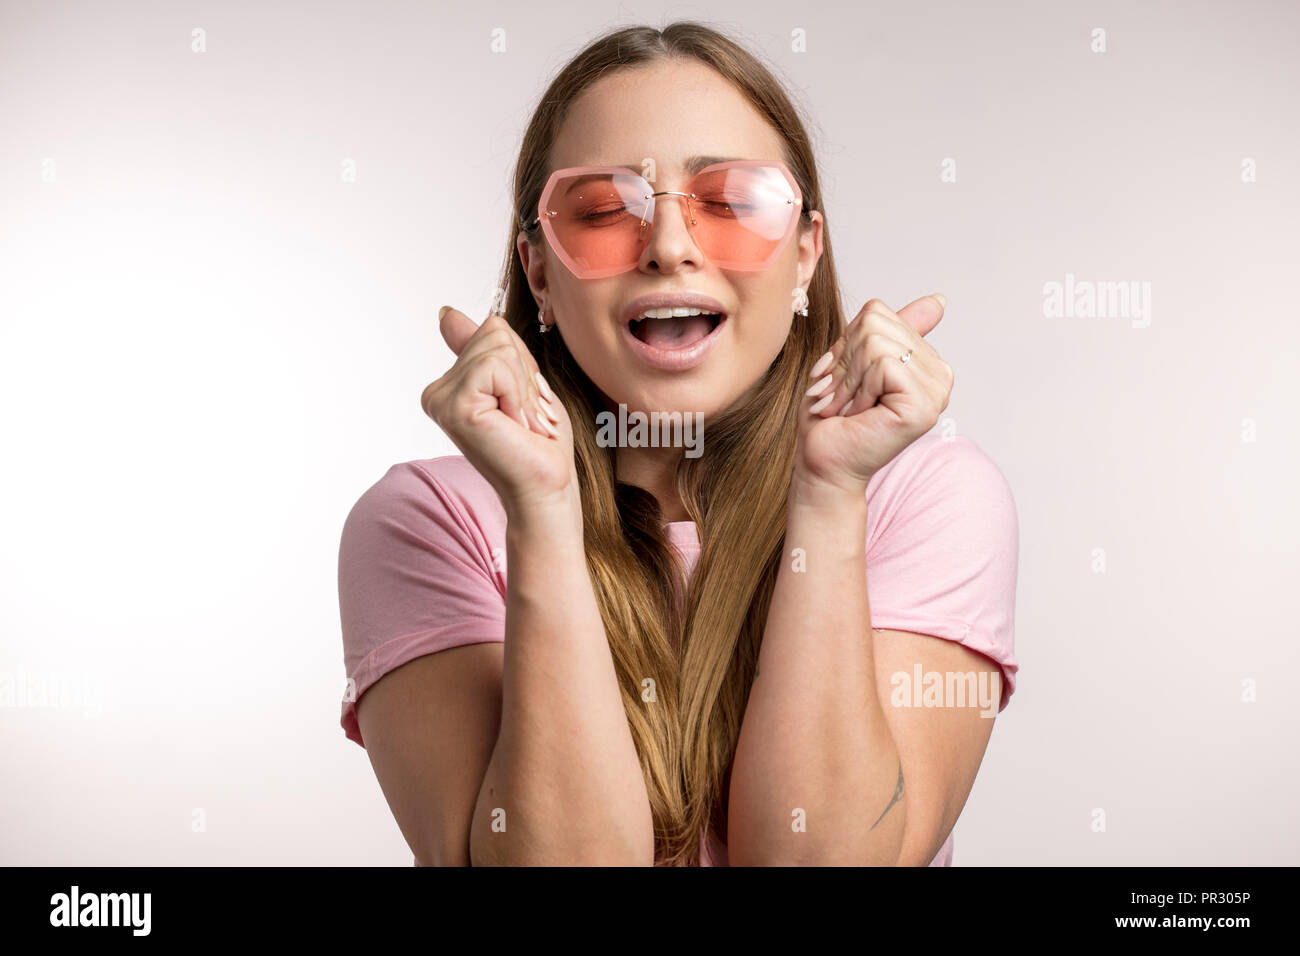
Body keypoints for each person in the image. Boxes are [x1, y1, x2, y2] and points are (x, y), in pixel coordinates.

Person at [337, 21, 1019, 866]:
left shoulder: (928, 495)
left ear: (806, 253)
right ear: (539, 274)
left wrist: (831, 494)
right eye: (601, 211)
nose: (668, 246)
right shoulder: (431, 520)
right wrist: (544, 516)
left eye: (731, 204)